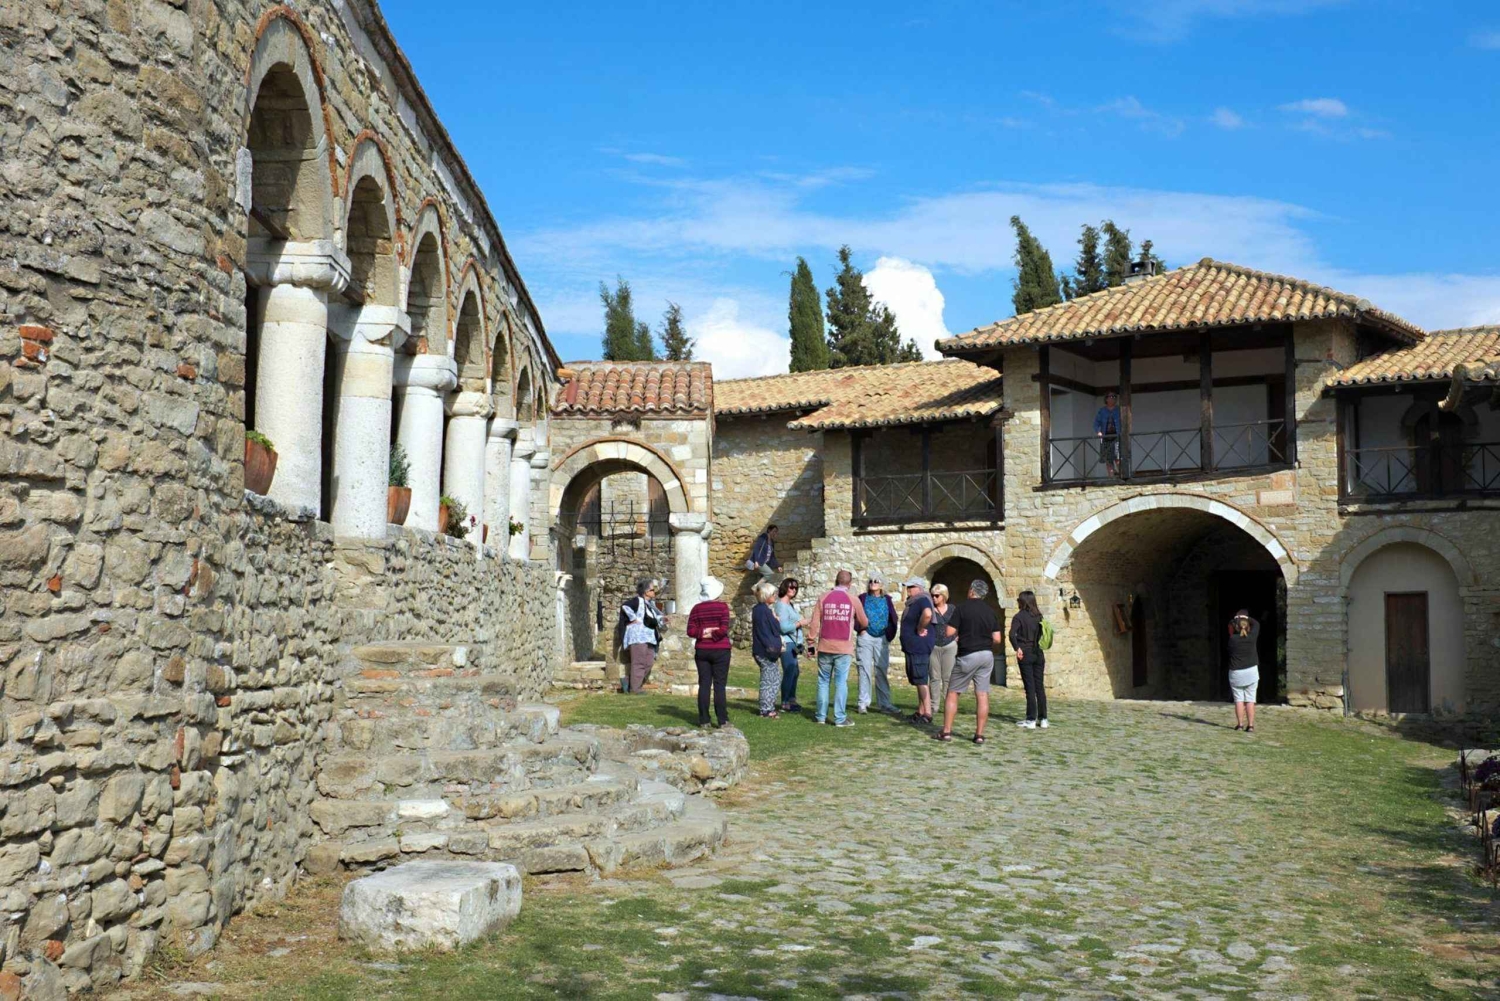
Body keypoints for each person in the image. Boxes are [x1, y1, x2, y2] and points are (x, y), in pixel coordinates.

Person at [938, 580, 1002, 744]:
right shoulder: (990, 611)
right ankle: (979, 735)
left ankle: (946, 731)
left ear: (972, 591)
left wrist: (963, 634)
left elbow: (949, 631)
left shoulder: (962, 608)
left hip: (968, 654)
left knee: (953, 692)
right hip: (986, 655)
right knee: (982, 694)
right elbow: (997, 638)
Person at [809, 569, 868, 727]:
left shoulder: (823, 597)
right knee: (841, 682)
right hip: (843, 647)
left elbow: (814, 623)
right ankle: (840, 718)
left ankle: (820, 716)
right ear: (849, 584)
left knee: (823, 681)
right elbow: (864, 622)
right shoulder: (853, 599)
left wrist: (810, 642)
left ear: (835, 581)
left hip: (825, 645)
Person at [685, 576, 732, 728]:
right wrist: (712, 633)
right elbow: (723, 630)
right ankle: (723, 720)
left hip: (702, 650)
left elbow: (690, 631)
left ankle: (704, 720)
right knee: (719, 685)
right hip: (721, 649)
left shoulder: (696, 609)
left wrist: (703, 633)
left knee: (704, 685)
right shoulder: (723, 607)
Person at [855, 574, 899, 714]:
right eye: (871, 581)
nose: (873, 583)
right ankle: (863, 703)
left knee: (881, 670)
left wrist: (888, 635)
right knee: (864, 669)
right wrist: (860, 629)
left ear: (882, 585)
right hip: (866, 636)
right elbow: (855, 614)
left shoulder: (887, 599)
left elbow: (893, 618)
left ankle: (884, 704)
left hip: (881, 638)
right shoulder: (862, 598)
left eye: (876, 581)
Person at [1010, 590, 1048, 730]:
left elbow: (1012, 635)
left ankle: (1031, 719)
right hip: (1038, 653)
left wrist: (1017, 648)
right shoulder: (1039, 616)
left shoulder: (1019, 617)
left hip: (1025, 654)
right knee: (1039, 687)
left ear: (1022, 602)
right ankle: (1043, 719)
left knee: (1030, 687)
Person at [899, 578, 936, 724]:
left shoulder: (922, 599)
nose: (908, 589)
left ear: (919, 588)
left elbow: (927, 614)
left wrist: (920, 628)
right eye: (907, 587)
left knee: (921, 679)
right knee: (917, 678)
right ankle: (920, 711)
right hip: (913, 646)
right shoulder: (914, 602)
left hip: (919, 646)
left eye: (911, 587)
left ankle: (927, 713)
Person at [620, 578, 664, 693]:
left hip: (649, 638)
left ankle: (628, 681)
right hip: (638, 637)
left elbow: (653, 618)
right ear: (646, 592)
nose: (654, 592)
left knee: (649, 662)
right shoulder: (637, 601)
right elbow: (625, 606)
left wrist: (662, 619)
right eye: (652, 590)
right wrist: (633, 618)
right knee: (639, 663)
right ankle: (635, 689)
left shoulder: (650, 605)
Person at [776, 578, 809, 713]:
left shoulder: (790, 605)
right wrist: (800, 623)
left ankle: (791, 699)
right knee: (789, 671)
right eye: (791, 587)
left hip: (793, 643)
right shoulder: (782, 605)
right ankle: (785, 702)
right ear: (785, 587)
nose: (794, 590)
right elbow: (783, 627)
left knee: (794, 672)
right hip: (786, 642)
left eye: (795, 588)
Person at [752, 581, 784, 718]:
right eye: (773, 594)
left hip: (761, 649)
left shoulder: (758, 609)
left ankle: (768, 706)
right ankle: (766, 708)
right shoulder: (765, 611)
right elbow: (775, 628)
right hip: (765, 650)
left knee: (773, 677)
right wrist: (776, 619)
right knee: (770, 679)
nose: (775, 596)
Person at [1227, 609, 1261, 733]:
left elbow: (1231, 626)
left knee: (1239, 700)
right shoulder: (1252, 637)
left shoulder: (1233, 639)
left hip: (1236, 673)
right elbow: (1256, 624)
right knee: (1251, 700)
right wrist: (1245, 618)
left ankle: (1240, 724)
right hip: (1251, 671)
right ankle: (1250, 725)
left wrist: (1236, 619)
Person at [929, 583, 957, 715]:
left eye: (937, 596)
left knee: (948, 677)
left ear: (944, 596)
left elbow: (959, 623)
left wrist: (957, 637)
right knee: (934, 677)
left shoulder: (952, 609)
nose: (934, 598)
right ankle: (933, 705)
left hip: (949, 645)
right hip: (933, 645)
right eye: (932, 595)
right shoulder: (930, 609)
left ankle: (948, 704)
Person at [1094, 390, 1123, 478]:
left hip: (1117, 437)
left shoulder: (1119, 410)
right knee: (1108, 460)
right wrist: (1098, 431)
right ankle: (1111, 478)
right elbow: (1096, 423)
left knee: (1118, 458)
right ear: (1106, 399)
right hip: (1106, 438)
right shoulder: (1102, 411)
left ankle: (1122, 476)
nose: (1113, 398)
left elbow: (1125, 421)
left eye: (1114, 397)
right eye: (1111, 396)